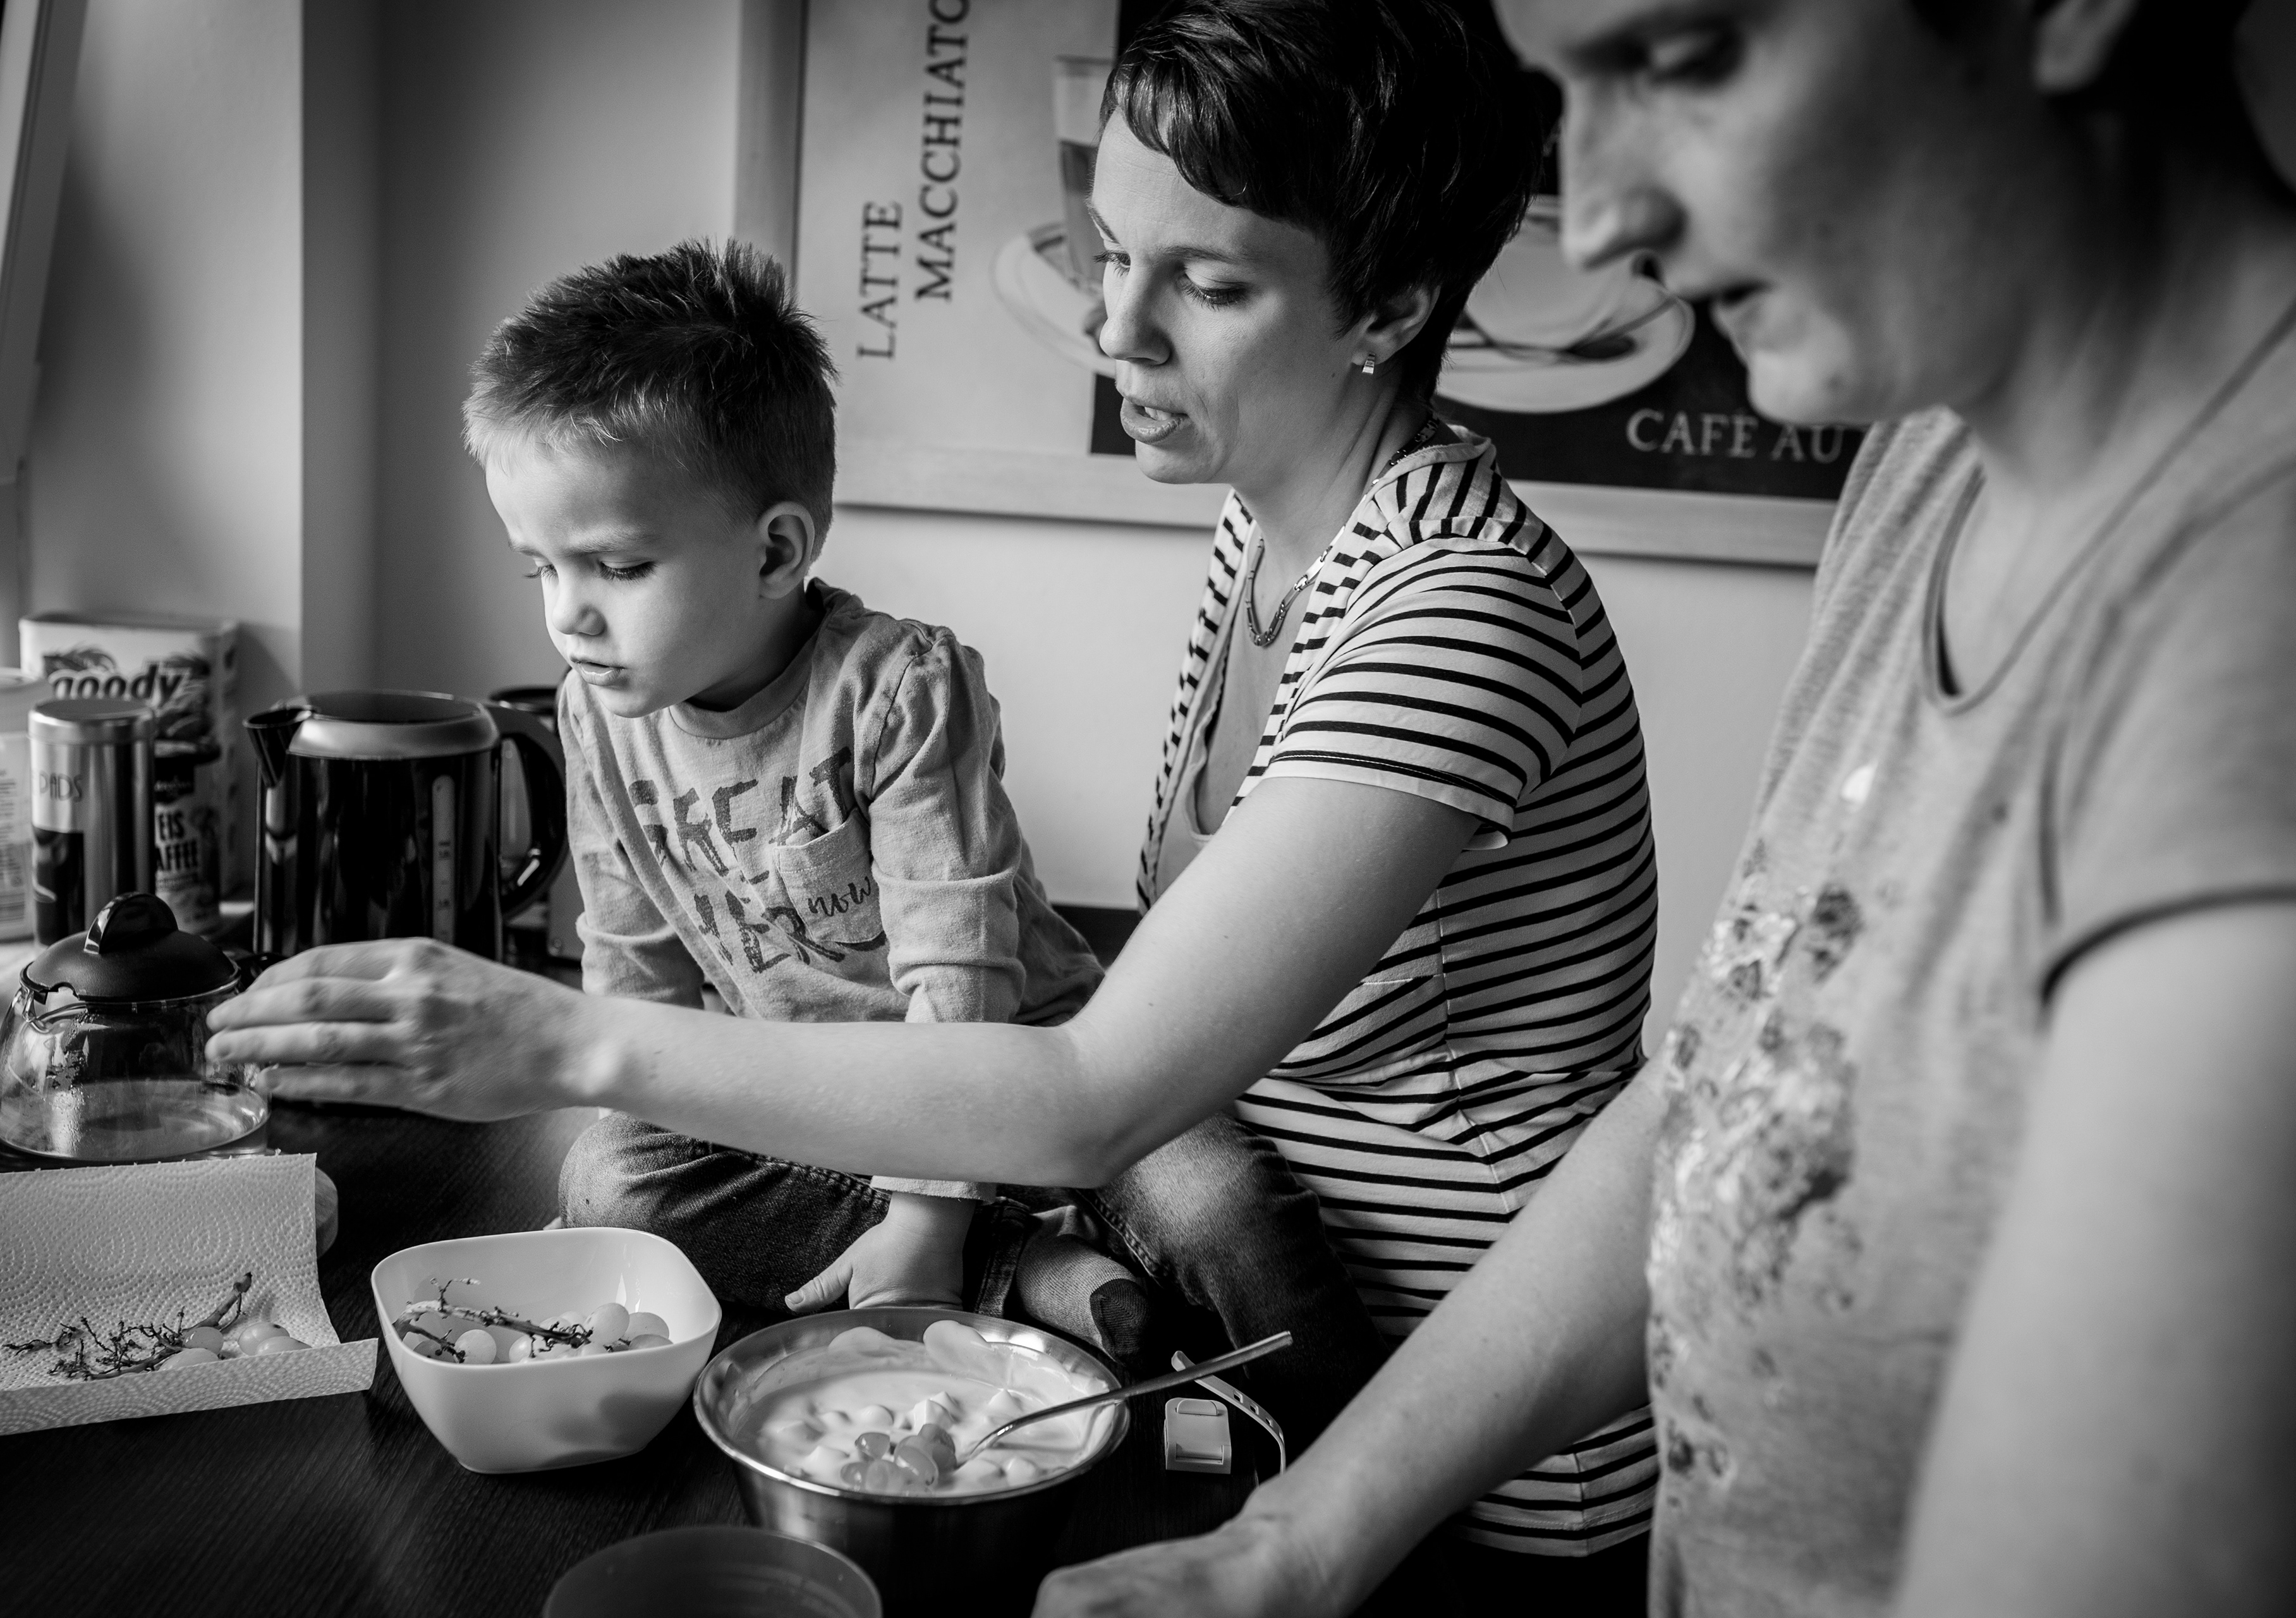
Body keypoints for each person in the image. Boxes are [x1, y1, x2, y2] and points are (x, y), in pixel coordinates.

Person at [210, 0, 1663, 1601]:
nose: (1116, 328)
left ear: (1388, 303)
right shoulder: (1271, 537)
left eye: (1210, 284)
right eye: (1113, 253)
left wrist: (558, 1038)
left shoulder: (1457, 609)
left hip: (1458, 1471)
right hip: (1251, 1370)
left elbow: (1095, 1090)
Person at [1009, 0, 2296, 1613]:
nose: (1605, 220)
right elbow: (1730, 1074)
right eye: (1573, 86)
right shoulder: (1929, 460)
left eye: (1680, 61)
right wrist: (1287, 1546)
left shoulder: (2251, 617)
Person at [461, 239, 1382, 1436]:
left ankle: (1365, 1466)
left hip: (1033, 1072)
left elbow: (959, 972)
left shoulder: (896, 688)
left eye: (618, 566)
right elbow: (636, 983)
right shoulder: (595, 715)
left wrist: (929, 1209)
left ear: (777, 550)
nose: (568, 615)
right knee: (610, 1179)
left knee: (1224, 1208)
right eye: (540, 569)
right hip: (819, 1114)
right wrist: (606, 1214)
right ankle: (1033, 1276)